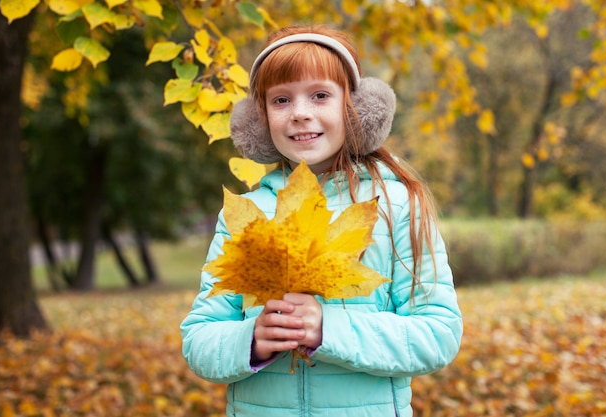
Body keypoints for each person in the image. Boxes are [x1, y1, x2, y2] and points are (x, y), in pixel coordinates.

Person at [181, 24, 463, 417]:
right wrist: (251, 340)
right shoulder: (245, 217)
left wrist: (328, 330)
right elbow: (199, 338)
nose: (300, 113)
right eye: (281, 100)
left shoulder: (394, 205)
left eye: (320, 95)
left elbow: (438, 334)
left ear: (356, 108)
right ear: (259, 119)